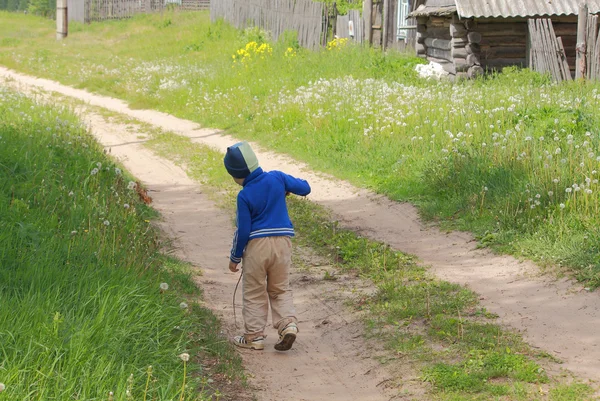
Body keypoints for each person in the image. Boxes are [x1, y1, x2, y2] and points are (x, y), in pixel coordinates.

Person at [224, 141, 311, 351]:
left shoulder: (244, 195)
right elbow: (305, 187)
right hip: (282, 243)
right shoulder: (277, 178)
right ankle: (288, 324)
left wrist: (234, 258)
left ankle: (254, 337)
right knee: (280, 289)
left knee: (254, 291)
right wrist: (285, 189)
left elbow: (243, 230)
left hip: (257, 246)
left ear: (237, 175)